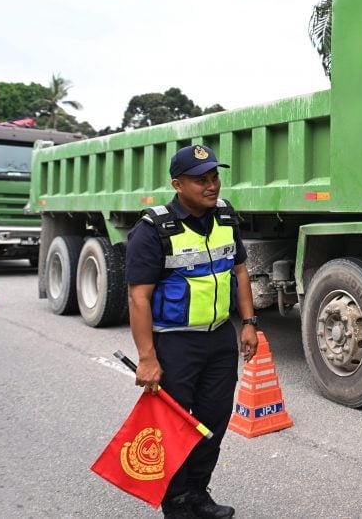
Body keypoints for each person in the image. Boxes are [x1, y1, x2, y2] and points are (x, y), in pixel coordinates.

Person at [126, 144, 258, 519]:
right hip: (174, 341)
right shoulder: (153, 229)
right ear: (177, 184)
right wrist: (147, 358)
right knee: (173, 425)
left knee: (212, 422)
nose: (212, 185)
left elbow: (240, 271)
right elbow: (138, 297)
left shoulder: (225, 217)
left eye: (215, 177)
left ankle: (198, 493)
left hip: (218, 337)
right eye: (201, 179)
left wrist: (248, 323)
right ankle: (176, 502)